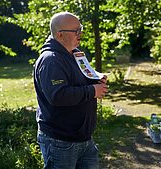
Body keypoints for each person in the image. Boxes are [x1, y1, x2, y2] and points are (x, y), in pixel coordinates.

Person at [33, 12, 108, 169]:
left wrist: (95, 79)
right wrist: (92, 91)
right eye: (76, 31)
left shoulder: (75, 53)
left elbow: (79, 80)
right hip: (60, 141)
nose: (80, 34)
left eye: (80, 29)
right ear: (60, 35)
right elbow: (58, 95)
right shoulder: (51, 60)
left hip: (83, 138)